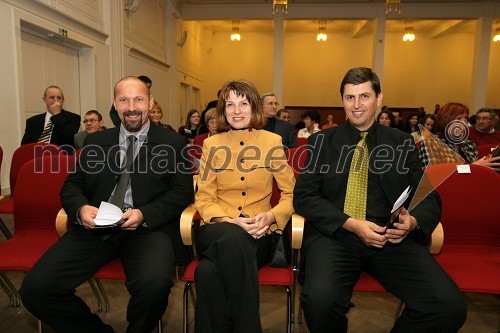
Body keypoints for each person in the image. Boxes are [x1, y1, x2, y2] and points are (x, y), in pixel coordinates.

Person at [293, 67, 467, 333]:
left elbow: (428, 195)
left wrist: (412, 222)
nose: (357, 105)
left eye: (364, 96)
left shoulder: (401, 142)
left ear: (379, 98)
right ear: (342, 100)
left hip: (390, 239)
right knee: (319, 301)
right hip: (335, 236)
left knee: (448, 305)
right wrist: (351, 224)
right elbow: (304, 197)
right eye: (350, 97)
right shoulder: (322, 142)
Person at [20, 76, 194, 333]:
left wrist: (144, 213)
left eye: (138, 99)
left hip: (147, 230)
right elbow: (73, 185)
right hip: (96, 228)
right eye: (124, 100)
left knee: (153, 285)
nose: (131, 106)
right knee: (36, 288)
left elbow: (182, 193)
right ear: (115, 103)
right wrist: (80, 209)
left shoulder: (173, 143)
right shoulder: (96, 142)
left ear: (150, 101)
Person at [194, 80, 295, 333]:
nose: (237, 110)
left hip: (258, 234)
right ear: (223, 110)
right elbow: (204, 198)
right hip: (217, 228)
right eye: (230, 104)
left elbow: (292, 193)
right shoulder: (211, 145)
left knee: (207, 273)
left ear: (254, 108)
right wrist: (229, 221)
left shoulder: (272, 142)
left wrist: (272, 216)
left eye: (243, 103)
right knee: (233, 238)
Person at [418, 102, 500, 170]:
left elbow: (472, 173)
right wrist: (474, 167)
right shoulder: (431, 143)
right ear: (446, 120)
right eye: (458, 119)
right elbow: (436, 174)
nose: (463, 123)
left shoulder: (468, 144)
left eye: (465, 119)